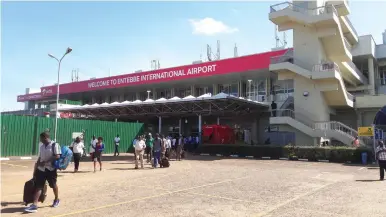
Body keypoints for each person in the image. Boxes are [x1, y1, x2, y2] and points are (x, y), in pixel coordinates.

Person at [25, 132, 61, 213]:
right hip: (41, 169)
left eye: (41, 138)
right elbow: (40, 157)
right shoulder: (41, 146)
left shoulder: (54, 145)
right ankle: (34, 205)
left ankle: (56, 199)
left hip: (51, 169)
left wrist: (46, 162)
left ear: (45, 137)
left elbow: (57, 156)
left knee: (53, 185)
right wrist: (37, 166)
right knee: (39, 186)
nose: (40, 140)